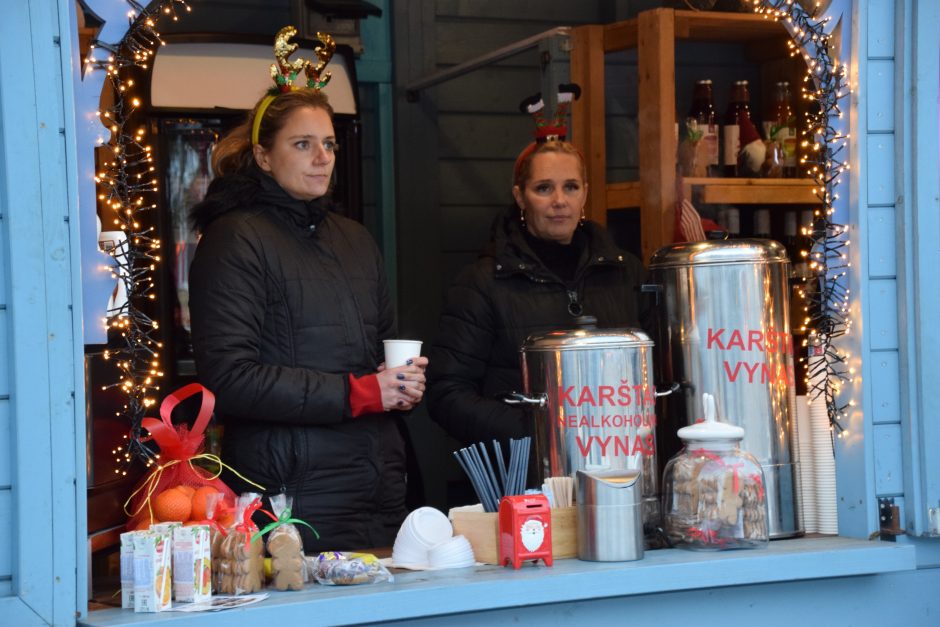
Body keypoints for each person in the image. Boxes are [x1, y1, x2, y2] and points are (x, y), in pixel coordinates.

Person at [188, 30, 426, 552]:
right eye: (303, 144)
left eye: (329, 144)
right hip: (290, 499)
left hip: (377, 490)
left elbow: (379, 353)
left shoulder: (355, 240)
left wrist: (400, 384)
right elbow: (229, 378)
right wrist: (360, 393)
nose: (322, 157)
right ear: (263, 157)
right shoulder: (235, 238)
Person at [428, 127, 647, 447]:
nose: (560, 201)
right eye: (544, 188)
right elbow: (446, 394)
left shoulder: (626, 271)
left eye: (571, 187)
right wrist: (536, 432)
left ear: (585, 193)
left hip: (622, 463)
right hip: (525, 480)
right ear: (520, 196)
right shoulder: (483, 282)